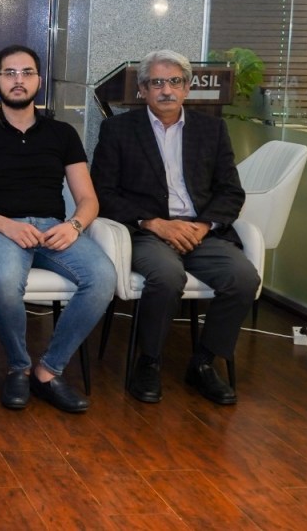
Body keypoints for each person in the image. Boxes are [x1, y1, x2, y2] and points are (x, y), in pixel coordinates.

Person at [0, 44, 115, 413]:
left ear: (39, 81)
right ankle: (19, 367)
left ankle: (48, 370)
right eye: (9, 73)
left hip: (54, 229)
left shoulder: (62, 134)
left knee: (104, 277)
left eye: (27, 73)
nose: (18, 80)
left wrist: (74, 226)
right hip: (1, 230)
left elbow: (88, 199)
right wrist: (5, 226)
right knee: (6, 283)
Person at [91, 49, 260, 406]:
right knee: (167, 276)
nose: (166, 90)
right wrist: (154, 223)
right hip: (147, 232)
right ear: (142, 90)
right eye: (156, 83)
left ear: (187, 87)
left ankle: (203, 363)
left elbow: (231, 191)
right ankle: (149, 361)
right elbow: (103, 193)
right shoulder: (118, 130)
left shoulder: (212, 130)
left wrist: (203, 225)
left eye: (174, 82)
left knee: (244, 277)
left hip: (200, 232)